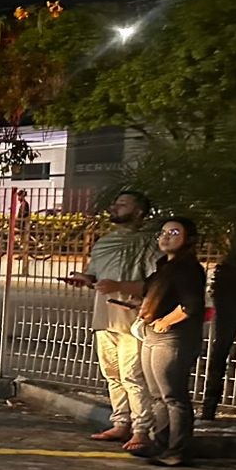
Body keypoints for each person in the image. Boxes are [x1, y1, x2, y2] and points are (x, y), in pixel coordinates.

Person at [100, 216, 207, 468]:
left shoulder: (188, 268)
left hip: (172, 338)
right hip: (152, 333)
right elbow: (155, 294)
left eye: (174, 232)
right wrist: (144, 308)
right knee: (158, 395)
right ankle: (160, 443)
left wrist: (166, 321)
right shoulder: (164, 265)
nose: (166, 236)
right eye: (163, 232)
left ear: (189, 239)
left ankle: (177, 450)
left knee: (173, 396)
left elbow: (190, 305)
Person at [67, 190, 158, 451]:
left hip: (132, 321)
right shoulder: (105, 243)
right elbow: (95, 276)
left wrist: (120, 285)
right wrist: (85, 279)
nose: (115, 208)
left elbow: (156, 283)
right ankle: (121, 423)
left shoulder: (148, 244)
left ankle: (141, 429)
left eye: (123, 204)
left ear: (139, 211)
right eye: (115, 204)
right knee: (113, 375)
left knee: (133, 376)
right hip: (104, 320)